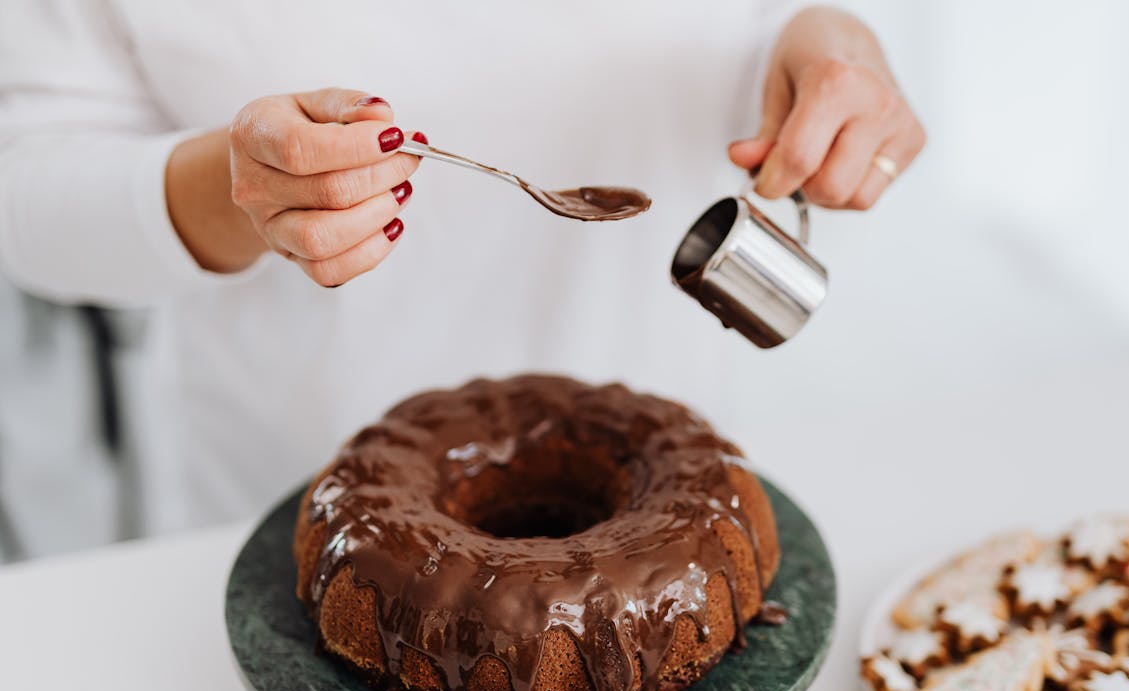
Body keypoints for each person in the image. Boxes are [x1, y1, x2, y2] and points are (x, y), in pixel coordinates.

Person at [0, 2, 924, 536]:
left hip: (667, 476)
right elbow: (28, 184)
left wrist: (837, 41)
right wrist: (236, 187)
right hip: (295, 487)